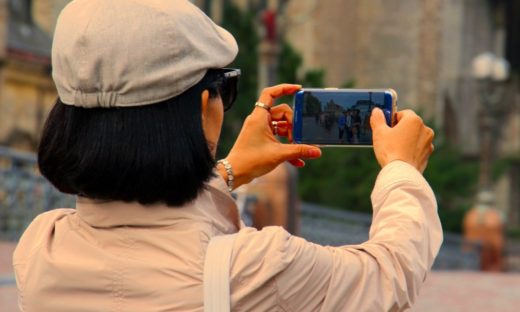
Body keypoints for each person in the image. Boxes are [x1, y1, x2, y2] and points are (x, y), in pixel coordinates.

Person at [13, 1, 442, 311]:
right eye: (225, 89)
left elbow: (144, 234)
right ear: (204, 106)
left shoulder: (40, 248)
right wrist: (401, 170)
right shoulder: (253, 269)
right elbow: (390, 274)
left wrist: (227, 173)